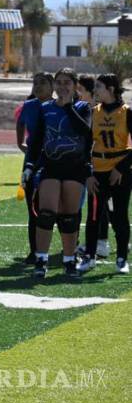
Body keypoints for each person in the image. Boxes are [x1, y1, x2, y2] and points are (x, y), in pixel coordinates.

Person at [23, 68, 92, 279]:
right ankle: (41, 259)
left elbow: (85, 133)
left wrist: (68, 107)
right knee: (45, 214)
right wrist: (29, 166)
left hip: (75, 168)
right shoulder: (45, 109)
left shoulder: (83, 108)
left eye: (67, 83)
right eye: (59, 82)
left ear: (75, 86)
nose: (62, 87)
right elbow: (36, 141)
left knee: (69, 218)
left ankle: (69, 261)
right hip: (51, 167)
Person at [79, 74, 131, 274]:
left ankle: (121, 258)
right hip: (98, 172)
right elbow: (85, 147)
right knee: (93, 216)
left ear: (110, 88)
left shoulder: (127, 112)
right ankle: (90, 257)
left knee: (119, 216)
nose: (96, 91)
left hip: (119, 172)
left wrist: (121, 168)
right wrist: (88, 173)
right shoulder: (93, 112)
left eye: (99, 87)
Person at [16, 72, 54, 263]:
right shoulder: (29, 105)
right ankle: (35, 251)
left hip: (53, 163)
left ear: (52, 86)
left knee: (54, 209)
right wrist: (19, 143)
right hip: (31, 162)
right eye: (36, 83)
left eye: (43, 83)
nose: (38, 86)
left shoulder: (59, 105)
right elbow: (20, 122)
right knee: (33, 209)